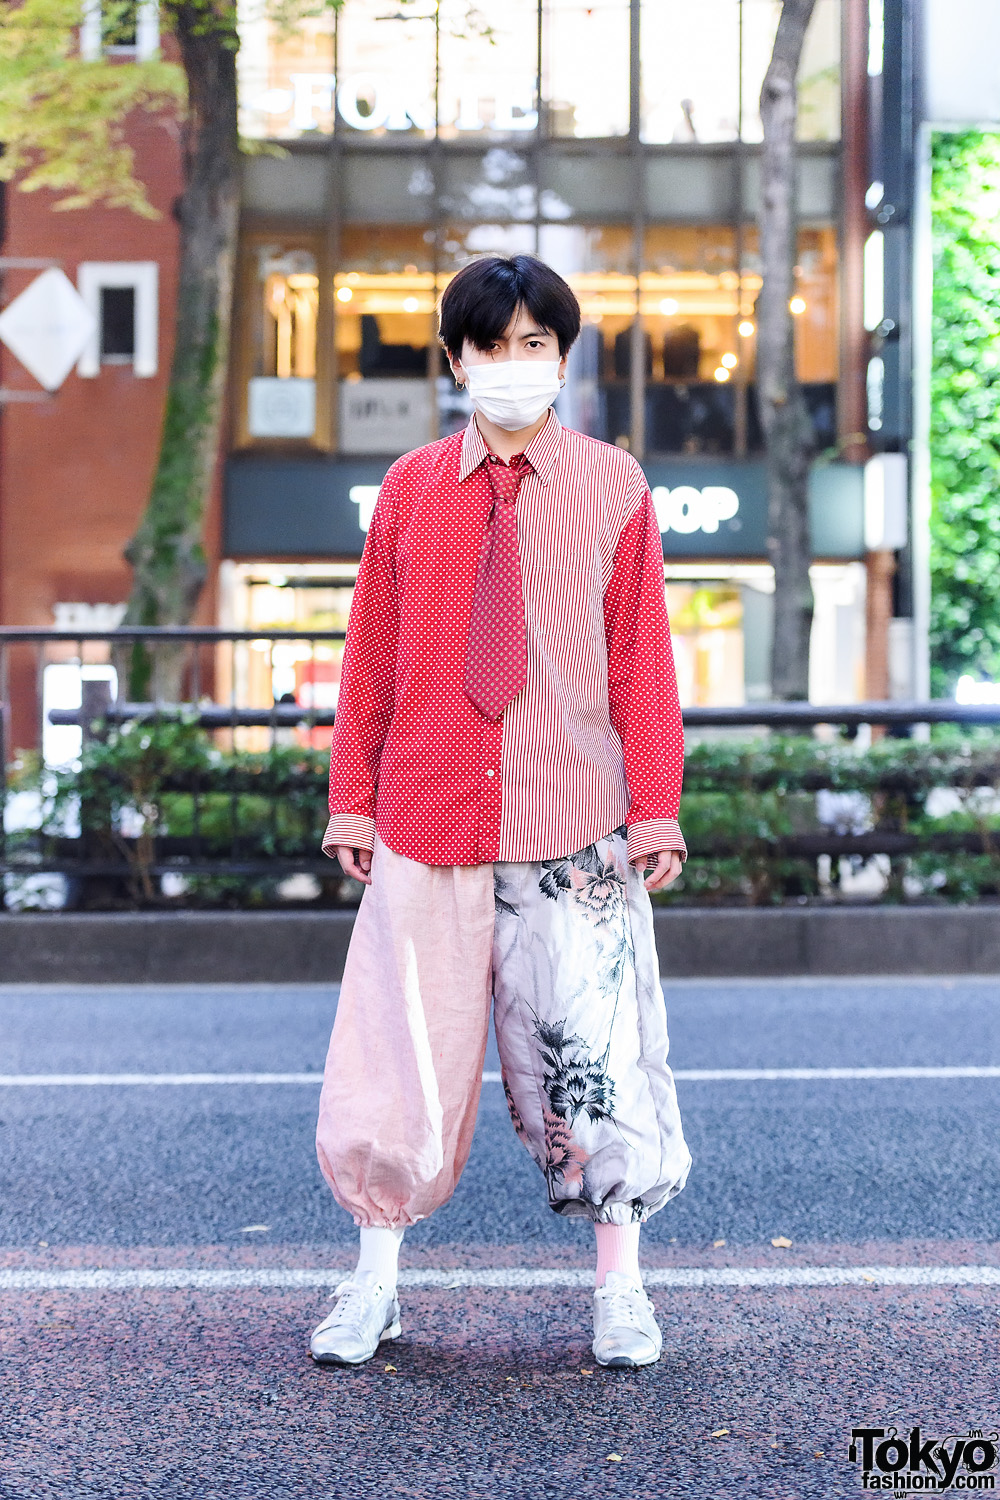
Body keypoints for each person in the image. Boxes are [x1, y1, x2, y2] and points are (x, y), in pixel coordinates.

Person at [310, 253, 693, 1370]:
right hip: (425, 816)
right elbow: (369, 658)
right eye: (490, 345)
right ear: (454, 361)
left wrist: (654, 809)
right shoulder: (410, 489)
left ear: (563, 358)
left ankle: (620, 1290)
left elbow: (644, 664)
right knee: (395, 1059)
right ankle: (373, 1283)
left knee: (599, 1060)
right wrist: (353, 797)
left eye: (534, 344)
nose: (512, 364)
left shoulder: (614, 486)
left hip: (572, 822)